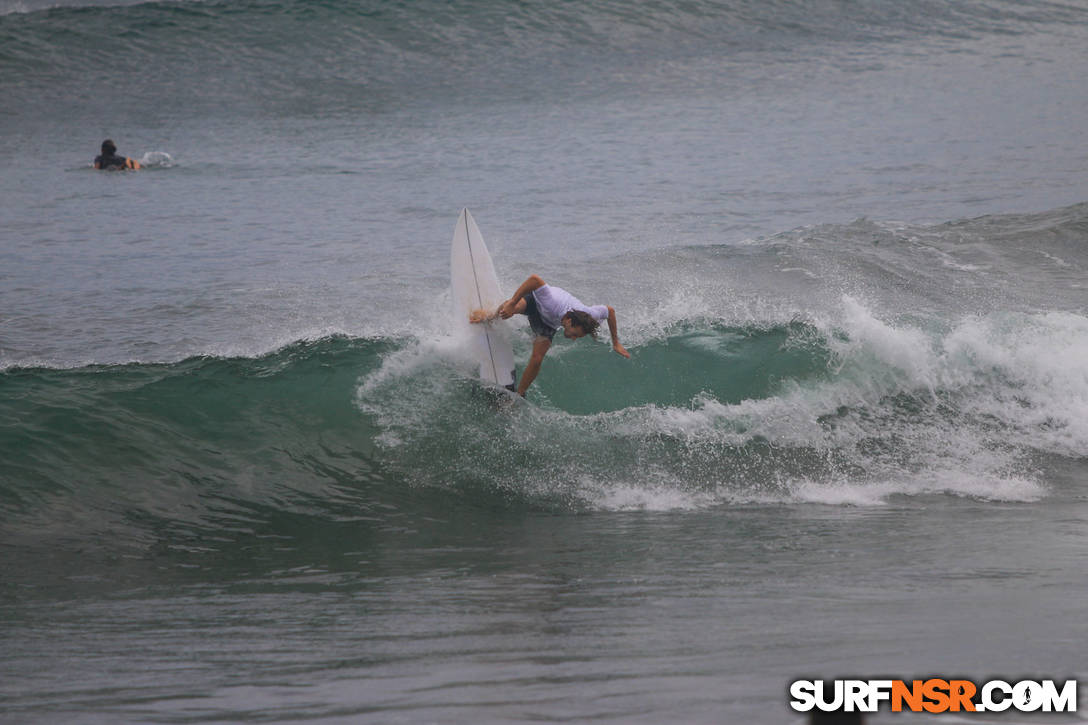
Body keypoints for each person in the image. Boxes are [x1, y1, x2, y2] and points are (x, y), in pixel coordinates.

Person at [471, 274, 630, 397]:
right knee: (509, 309)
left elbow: (610, 311)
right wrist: (512, 303)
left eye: (577, 337)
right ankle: (489, 316)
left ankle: (519, 394)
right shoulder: (551, 301)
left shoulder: (591, 315)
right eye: (574, 334)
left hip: (547, 323)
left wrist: (615, 342)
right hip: (535, 303)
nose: (573, 338)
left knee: (537, 358)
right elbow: (534, 279)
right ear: (568, 321)